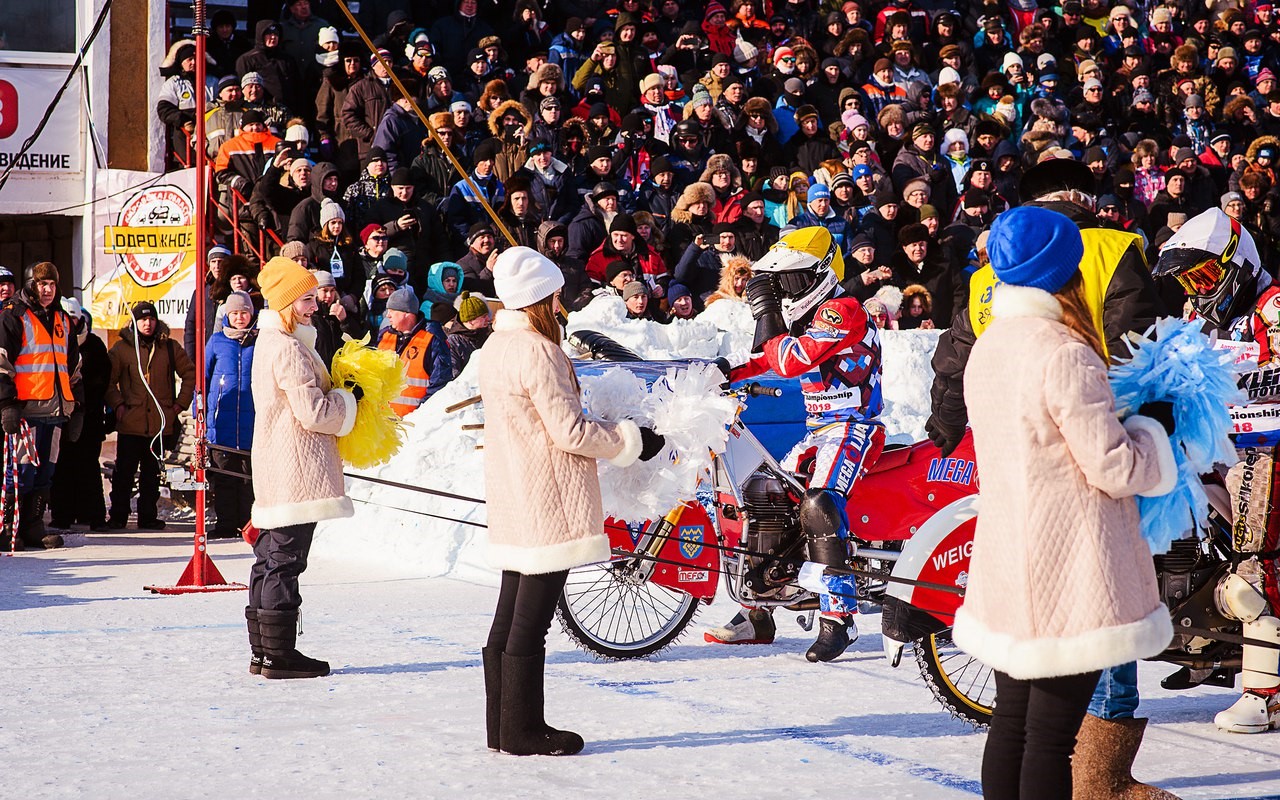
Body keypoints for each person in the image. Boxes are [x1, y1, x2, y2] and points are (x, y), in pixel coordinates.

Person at [953, 205, 1176, 798]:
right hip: (1069, 570)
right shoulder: (1065, 351)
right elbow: (1114, 467)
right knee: (1052, 739)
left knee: (1011, 726)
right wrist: (1153, 429)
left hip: (1009, 562)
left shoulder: (990, 345)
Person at [477, 245, 663, 756]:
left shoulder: (498, 347)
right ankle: (522, 730)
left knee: (509, 613)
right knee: (530, 623)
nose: (560, 307)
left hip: (518, 492)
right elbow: (570, 431)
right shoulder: (539, 350)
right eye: (556, 297)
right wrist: (632, 441)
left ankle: (502, 726)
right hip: (549, 496)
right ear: (539, 298)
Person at [709, 227, 884, 663]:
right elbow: (768, 358)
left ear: (819, 274)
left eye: (789, 280)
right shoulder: (808, 318)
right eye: (776, 283)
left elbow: (789, 360)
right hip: (817, 432)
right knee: (763, 498)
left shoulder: (842, 309)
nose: (782, 290)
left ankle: (839, 617)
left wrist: (766, 312)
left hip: (851, 427)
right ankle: (758, 611)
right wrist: (722, 371)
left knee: (818, 505)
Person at [1154, 209, 1280, 735]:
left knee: (1251, 570)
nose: (1197, 290)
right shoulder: (1201, 317)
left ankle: (1264, 692)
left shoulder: (1272, 307)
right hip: (1214, 449)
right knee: (1189, 531)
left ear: (1238, 264)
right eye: (1189, 280)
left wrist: (1247, 376)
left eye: (1204, 276)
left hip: (1265, 449)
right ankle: (1204, 646)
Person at [245, 256, 357, 681]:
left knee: (270, 557)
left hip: (279, 462)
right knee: (285, 560)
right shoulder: (288, 347)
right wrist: (349, 400)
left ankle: (264, 652)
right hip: (297, 466)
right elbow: (312, 411)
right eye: (306, 299)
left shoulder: (274, 342)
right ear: (287, 303)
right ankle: (279, 655)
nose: (315, 306)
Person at [0, 262, 80, 550]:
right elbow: (1, 362)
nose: (47, 290)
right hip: (25, 411)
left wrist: (77, 407)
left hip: (55, 411)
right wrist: (6, 403)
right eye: (41, 284)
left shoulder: (62, 319)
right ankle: (10, 528)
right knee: (20, 473)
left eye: (52, 285)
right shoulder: (14, 315)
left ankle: (34, 526)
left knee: (45, 473)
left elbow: (73, 367)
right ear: (31, 285)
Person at [104, 301, 195, 531]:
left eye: (151, 319)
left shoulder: (169, 347)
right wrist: (118, 405)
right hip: (130, 424)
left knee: (152, 475)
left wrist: (178, 406)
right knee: (124, 474)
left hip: (159, 425)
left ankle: (148, 516)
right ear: (135, 322)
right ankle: (118, 517)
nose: (148, 323)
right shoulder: (122, 349)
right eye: (143, 319)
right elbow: (108, 381)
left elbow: (190, 374)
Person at [49, 298, 110, 533]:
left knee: (88, 467)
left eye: (74, 318)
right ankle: (62, 515)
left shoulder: (94, 345)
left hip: (89, 416)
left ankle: (94, 516)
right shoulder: (54, 342)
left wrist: (86, 403)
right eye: (67, 318)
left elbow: (102, 379)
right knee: (62, 466)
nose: (71, 323)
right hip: (60, 413)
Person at [205, 291, 257, 540]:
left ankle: (247, 525)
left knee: (248, 478)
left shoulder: (259, 341)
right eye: (235, 313)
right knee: (224, 476)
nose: (239, 318)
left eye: (244, 313)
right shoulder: (216, 341)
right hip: (222, 421)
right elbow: (203, 379)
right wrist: (200, 412)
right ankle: (225, 524)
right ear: (227, 315)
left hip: (251, 421)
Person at [376, 287, 452, 417]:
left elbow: (439, 383)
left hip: (414, 423)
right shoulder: (384, 336)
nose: (387, 315)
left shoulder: (432, 340)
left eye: (392, 311)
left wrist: (420, 415)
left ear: (407, 314)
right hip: (383, 421)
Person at [445, 291, 491, 378]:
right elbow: (454, 374)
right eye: (483, 316)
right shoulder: (454, 342)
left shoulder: (489, 333)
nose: (488, 319)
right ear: (470, 321)